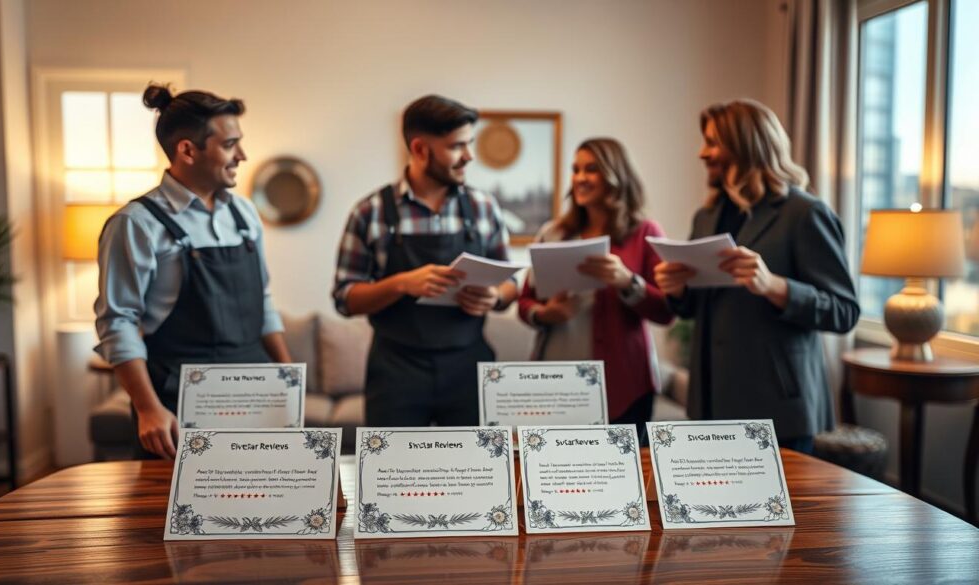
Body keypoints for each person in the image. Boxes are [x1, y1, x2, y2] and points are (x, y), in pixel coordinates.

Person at [94, 84, 291, 460]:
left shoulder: (245, 214)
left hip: (257, 399)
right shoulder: (135, 224)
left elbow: (263, 302)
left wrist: (289, 380)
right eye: (230, 144)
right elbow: (118, 323)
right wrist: (149, 409)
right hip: (178, 408)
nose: (243, 155)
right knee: (171, 517)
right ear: (187, 149)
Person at [653, 99, 859, 453]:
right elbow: (692, 308)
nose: (703, 153)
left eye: (713, 142)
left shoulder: (805, 214)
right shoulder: (707, 215)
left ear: (748, 145)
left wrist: (775, 286)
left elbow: (844, 312)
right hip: (710, 405)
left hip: (777, 406)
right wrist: (676, 289)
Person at [332, 94, 517, 426]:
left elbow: (510, 284)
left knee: (475, 474)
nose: (469, 156)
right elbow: (345, 298)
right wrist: (402, 283)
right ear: (420, 149)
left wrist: (496, 296)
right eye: (457, 146)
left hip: (469, 369)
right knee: (391, 474)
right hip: (395, 373)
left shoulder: (484, 208)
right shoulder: (369, 212)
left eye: (469, 144)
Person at [517, 138, 673, 442]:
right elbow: (525, 301)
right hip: (557, 383)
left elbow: (667, 311)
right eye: (575, 170)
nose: (579, 178)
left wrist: (628, 282)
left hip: (625, 384)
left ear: (615, 175)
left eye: (591, 169)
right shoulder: (554, 233)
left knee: (623, 480)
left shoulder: (645, 232)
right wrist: (545, 313)